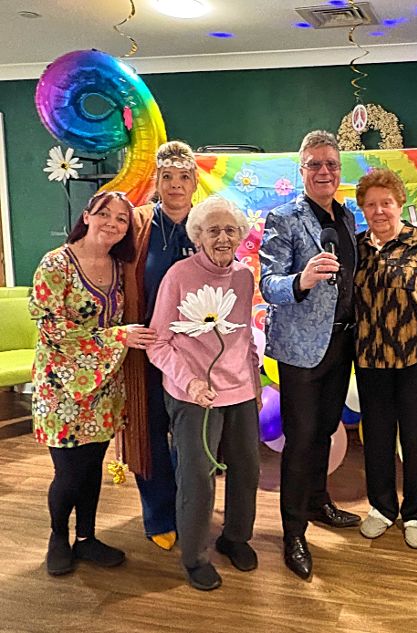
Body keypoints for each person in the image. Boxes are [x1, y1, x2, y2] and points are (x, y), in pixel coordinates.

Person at [30, 191, 157, 576]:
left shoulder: (120, 268)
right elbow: (52, 328)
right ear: (87, 216)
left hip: (104, 387)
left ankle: (86, 537)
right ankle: (58, 537)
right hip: (61, 388)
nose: (112, 224)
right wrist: (118, 336)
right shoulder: (56, 264)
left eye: (122, 219)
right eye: (105, 214)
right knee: (69, 473)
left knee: (91, 467)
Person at [259, 130, 360, 581]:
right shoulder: (283, 218)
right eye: (314, 164)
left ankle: (319, 502)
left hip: (342, 344)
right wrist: (302, 279)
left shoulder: (347, 217)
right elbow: (268, 284)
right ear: (301, 170)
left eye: (331, 164)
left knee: (324, 432)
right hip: (301, 350)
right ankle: (293, 533)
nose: (324, 171)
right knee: (300, 441)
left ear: (339, 171)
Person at [147, 195, 261, 591]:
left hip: (240, 391)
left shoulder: (244, 276)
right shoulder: (178, 275)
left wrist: (254, 385)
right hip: (192, 393)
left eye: (230, 230)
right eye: (213, 231)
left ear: (240, 236)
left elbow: (244, 337)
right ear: (197, 236)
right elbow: (158, 343)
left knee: (247, 469)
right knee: (197, 477)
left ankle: (236, 538)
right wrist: (191, 382)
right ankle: (194, 556)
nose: (222, 238)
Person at [353, 168, 417, 549]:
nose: (379, 211)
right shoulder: (356, 248)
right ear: (362, 209)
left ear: (400, 204)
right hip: (370, 362)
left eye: (386, 203)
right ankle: (382, 507)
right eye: (370, 205)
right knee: (377, 438)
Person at [123, 141, 198, 551]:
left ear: (195, 182)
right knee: (150, 433)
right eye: (167, 177)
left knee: (190, 438)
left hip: (194, 357)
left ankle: (189, 509)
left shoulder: (207, 226)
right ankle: (159, 515)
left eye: (183, 177)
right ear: (157, 181)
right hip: (146, 352)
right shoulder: (137, 225)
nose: (175, 185)